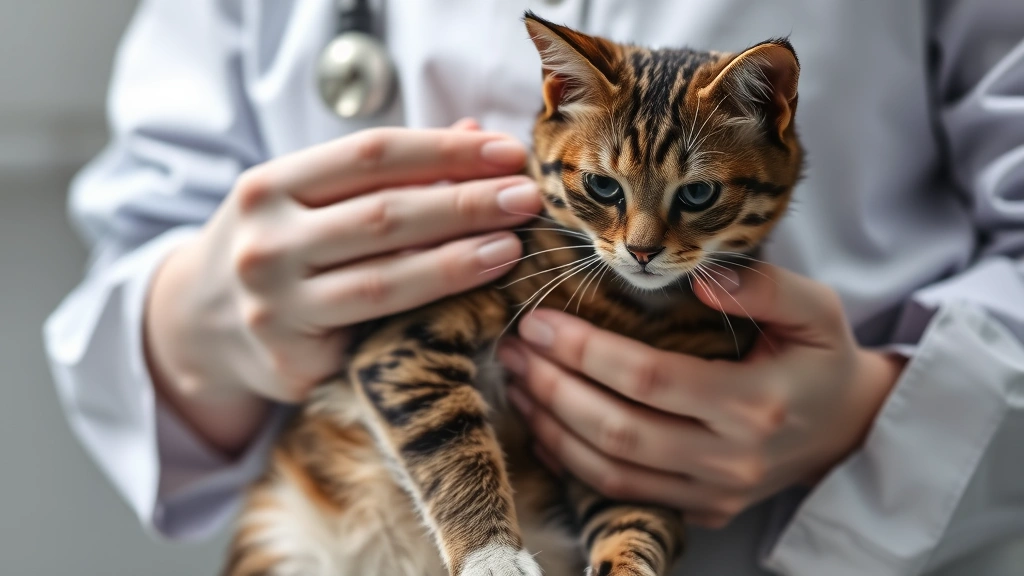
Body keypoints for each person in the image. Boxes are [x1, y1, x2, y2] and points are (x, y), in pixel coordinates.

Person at [44, 1, 1024, 574]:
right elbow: (140, 232)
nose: (639, 243)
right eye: (606, 194)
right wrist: (194, 318)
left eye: (679, 203)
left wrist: (889, 415)